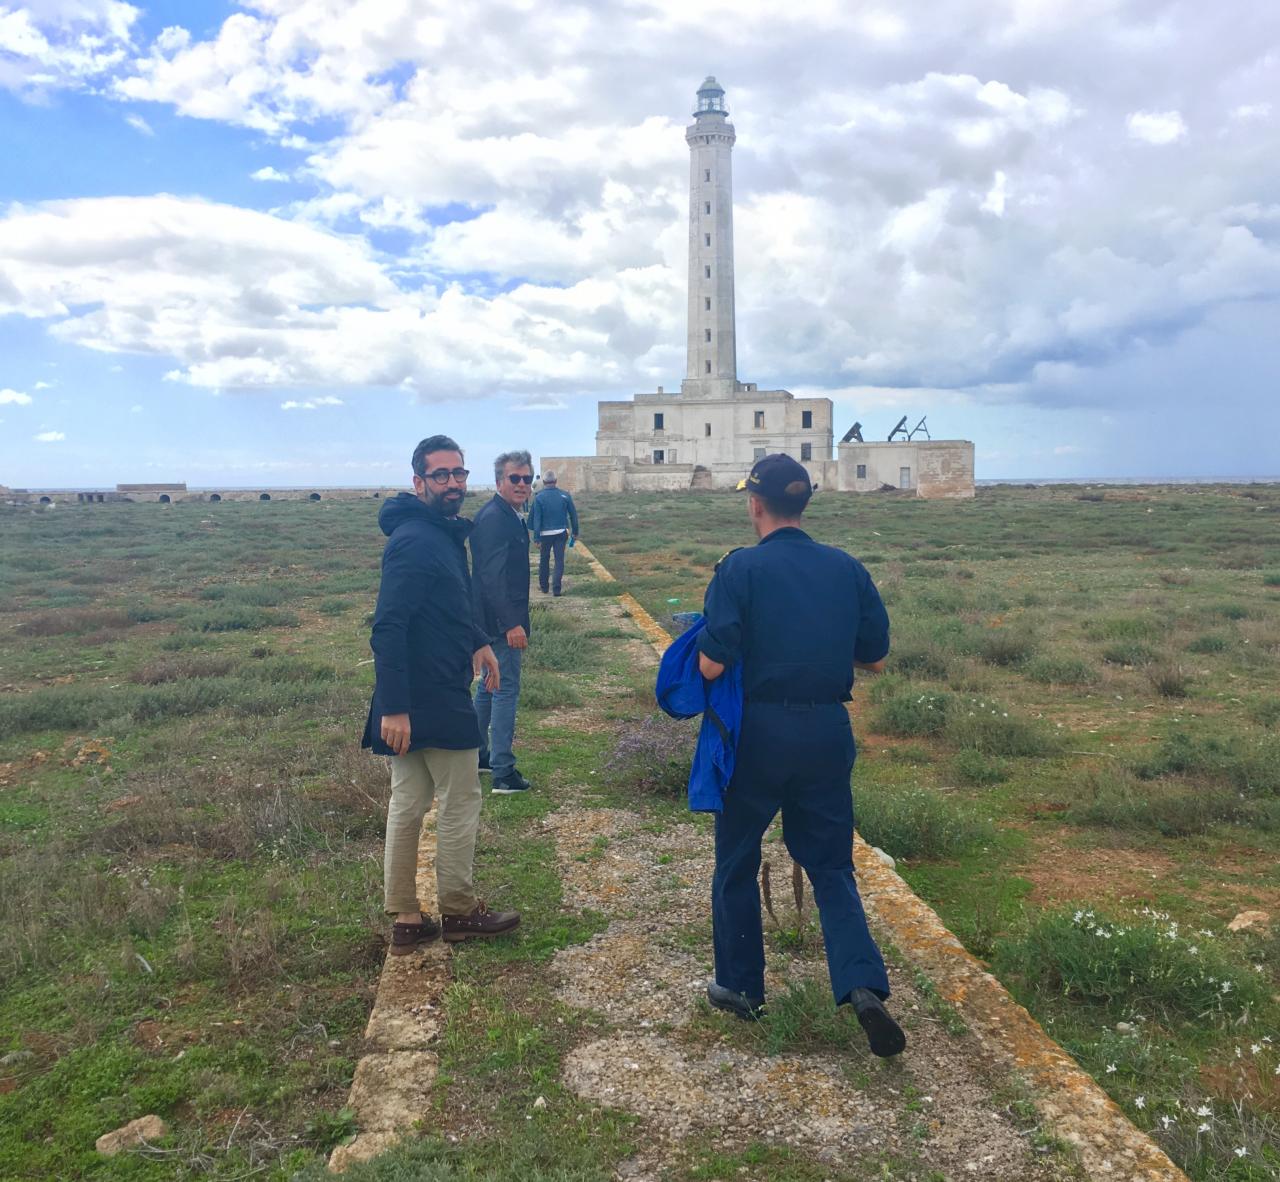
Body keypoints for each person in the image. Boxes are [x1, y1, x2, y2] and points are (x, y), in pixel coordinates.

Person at [695, 453, 905, 1058]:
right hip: (825, 732)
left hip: (758, 732)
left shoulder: (739, 571)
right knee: (832, 866)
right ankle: (863, 986)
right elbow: (877, 657)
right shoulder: (846, 568)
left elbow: (712, 663)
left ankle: (740, 988)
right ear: (804, 503)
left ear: (754, 504)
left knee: (736, 859)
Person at [362, 434, 521, 950]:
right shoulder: (414, 539)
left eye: (459, 473)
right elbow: (388, 626)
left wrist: (478, 642)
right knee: (459, 799)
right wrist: (395, 707)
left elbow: (449, 603)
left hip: (429, 685)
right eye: (441, 475)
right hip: (424, 694)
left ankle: (407, 920)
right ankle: (457, 910)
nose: (453, 483)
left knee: (408, 802)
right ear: (418, 482)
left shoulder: (442, 533)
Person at [470, 449, 534, 795]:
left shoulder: (507, 514)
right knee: (505, 687)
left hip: (490, 618)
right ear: (499, 481)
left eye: (527, 478)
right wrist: (511, 623)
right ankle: (503, 772)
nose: (522, 484)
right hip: (498, 620)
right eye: (515, 478)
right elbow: (492, 577)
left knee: (489, 685)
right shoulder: (496, 517)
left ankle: (478, 755)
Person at [528, 469, 580, 596]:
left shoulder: (539, 497)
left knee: (544, 559)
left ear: (544, 482)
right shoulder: (565, 495)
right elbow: (573, 515)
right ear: (556, 481)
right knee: (559, 560)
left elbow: (536, 519)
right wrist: (575, 531)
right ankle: (556, 589)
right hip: (561, 533)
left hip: (545, 535)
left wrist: (536, 538)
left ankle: (544, 587)